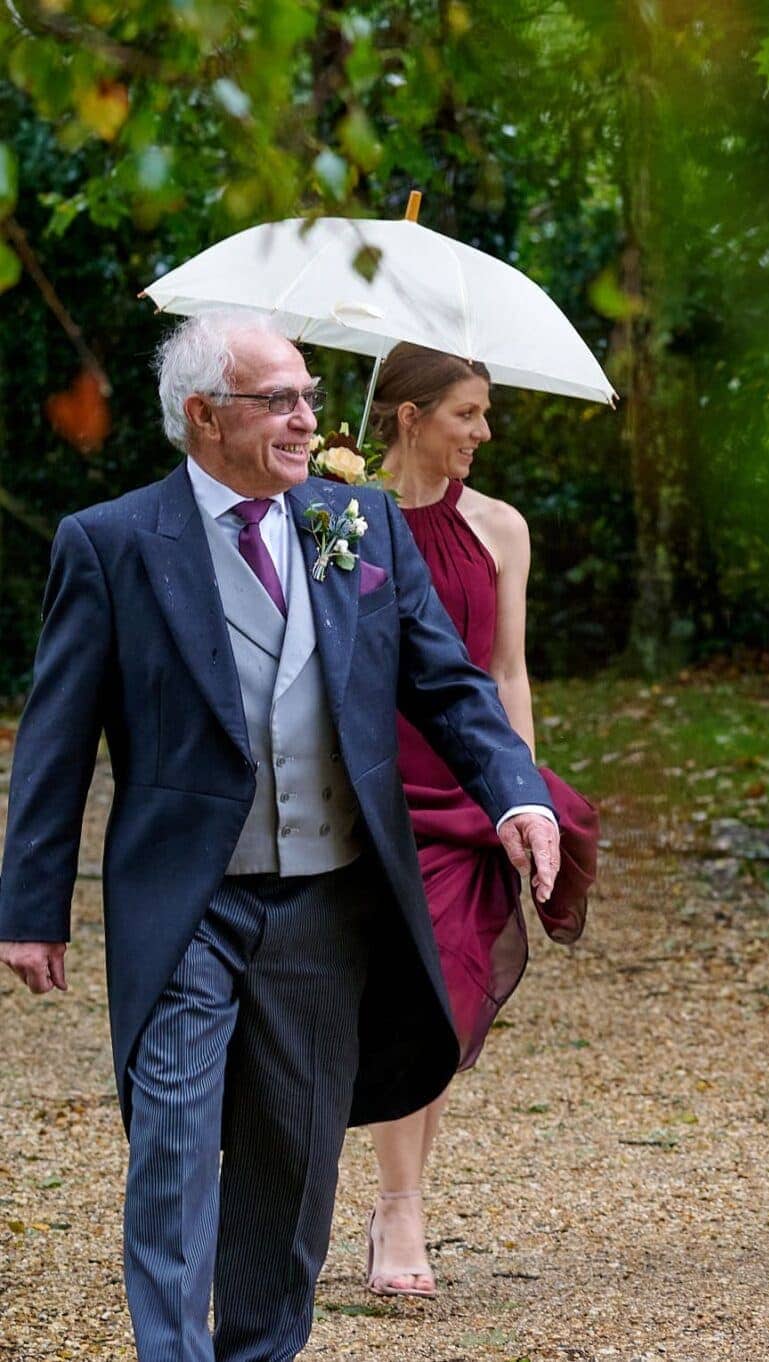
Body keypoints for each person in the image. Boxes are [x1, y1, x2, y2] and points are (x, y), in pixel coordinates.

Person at [0, 312, 560, 1361]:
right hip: (185, 903)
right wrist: (32, 910)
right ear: (205, 417)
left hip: (328, 901)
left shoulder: (358, 522)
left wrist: (515, 795)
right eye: (280, 401)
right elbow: (58, 737)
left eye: (309, 396)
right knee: (170, 1145)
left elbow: (446, 683)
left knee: (291, 1163)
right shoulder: (114, 542)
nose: (309, 419)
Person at [355, 342, 601, 1297]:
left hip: (466, 798)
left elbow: (506, 672)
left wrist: (523, 792)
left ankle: (399, 1206)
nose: (484, 432)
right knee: (385, 994)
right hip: (369, 792)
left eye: (486, 412)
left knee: (446, 995)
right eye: (467, 412)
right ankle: (393, 1203)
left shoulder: (502, 528)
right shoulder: (335, 516)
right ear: (410, 415)